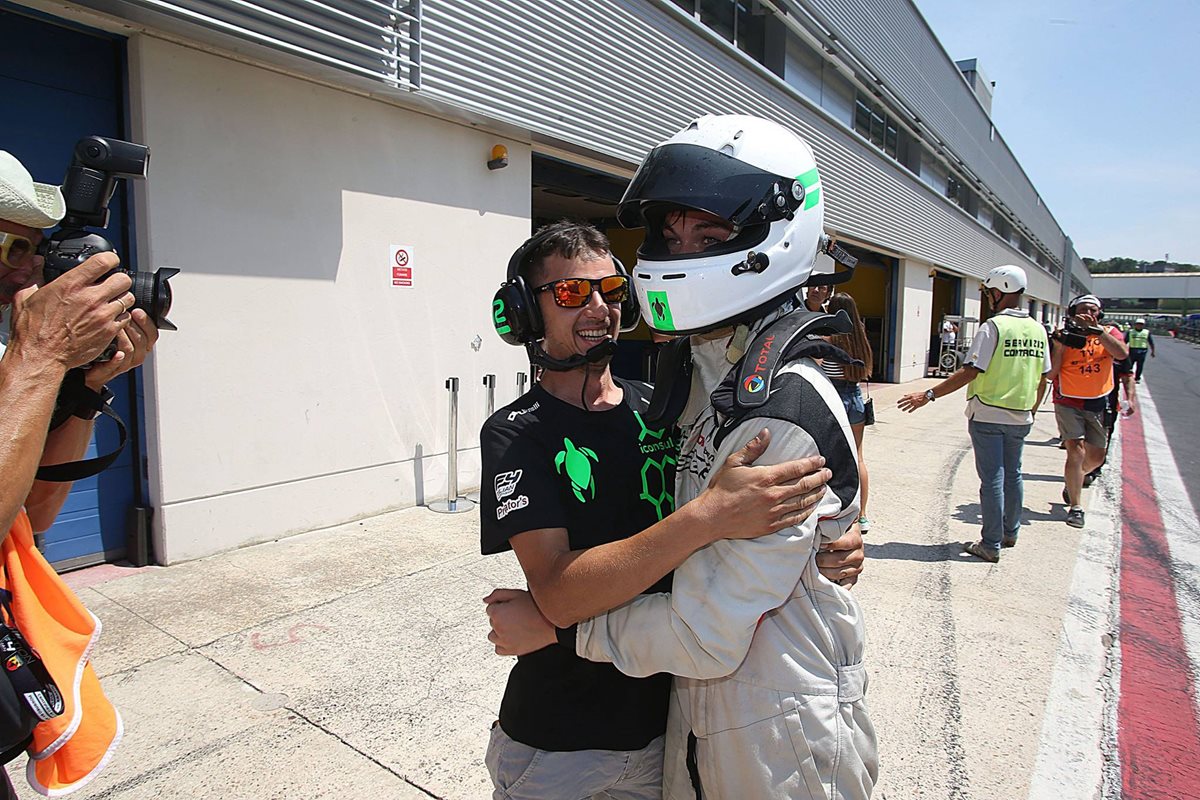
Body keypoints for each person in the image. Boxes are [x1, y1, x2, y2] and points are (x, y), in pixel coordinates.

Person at [489, 116, 877, 799]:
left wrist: (838, 530)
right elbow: (556, 584)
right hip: (596, 732)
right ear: (523, 313)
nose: (598, 308)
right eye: (571, 293)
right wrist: (720, 520)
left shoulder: (668, 400)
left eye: (609, 290)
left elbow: (707, 623)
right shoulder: (683, 387)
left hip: (733, 731)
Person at [0, 151, 157, 797]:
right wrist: (40, 354)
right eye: (14, 247)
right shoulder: (22, 353)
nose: (32, 269)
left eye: (38, 249)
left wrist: (87, 389)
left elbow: (27, 519)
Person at [898, 265, 1050, 562]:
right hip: (1021, 414)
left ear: (998, 292)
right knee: (1014, 474)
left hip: (989, 415)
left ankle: (990, 543)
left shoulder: (993, 327)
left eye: (989, 292)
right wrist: (1032, 409)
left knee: (993, 478)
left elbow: (970, 371)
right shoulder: (1038, 329)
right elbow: (1045, 376)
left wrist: (928, 394)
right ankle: (1010, 531)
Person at [1047, 294, 1129, 528]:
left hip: (1096, 401)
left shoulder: (1108, 333)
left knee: (1095, 457)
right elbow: (1051, 374)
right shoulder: (1063, 336)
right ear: (1072, 313)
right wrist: (1061, 347)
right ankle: (1076, 507)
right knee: (1076, 451)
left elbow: (1122, 354)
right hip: (1068, 400)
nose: (1088, 314)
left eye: (1093, 311)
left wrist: (1097, 331)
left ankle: (1073, 480)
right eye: (1083, 310)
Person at [824, 292, 874, 534]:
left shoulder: (830, 338)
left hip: (834, 398)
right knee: (859, 458)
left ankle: (838, 511)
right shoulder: (860, 336)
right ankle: (862, 516)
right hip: (855, 398)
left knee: (832, 458)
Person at [1127, 318, 1155, 383]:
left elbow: (1151, 342)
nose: (1139, 326)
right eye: (1138, 324)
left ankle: (1137, 378)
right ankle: (1128, 376)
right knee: (1129, 365)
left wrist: (1153, 352)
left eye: (1141, 324)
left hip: (1142, 351)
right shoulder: (1131, 332)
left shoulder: (1146, 332)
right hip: (1132, 350)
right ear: (1135, 325)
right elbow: (1125, 341)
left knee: (1140, 365)